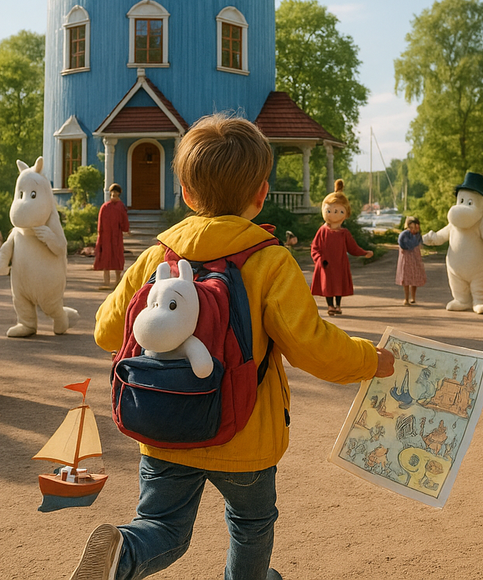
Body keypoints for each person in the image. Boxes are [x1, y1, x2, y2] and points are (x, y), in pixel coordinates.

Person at [72, 112, 394, 580]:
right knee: (251, 523)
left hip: (163, 424)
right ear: (261, 194)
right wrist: (371, 360)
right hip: (246, 432)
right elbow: (313, 347)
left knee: (162, 526)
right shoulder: (269, 261)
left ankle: (124, 553)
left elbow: (107, 332)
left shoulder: (157, 255)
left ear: (185, 192)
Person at [309, 179, 373, 315]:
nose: (335, 214)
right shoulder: (323, 231)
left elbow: (352, 247)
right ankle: (330, 306)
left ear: (346, 213)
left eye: (339, 211)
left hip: (340, 264)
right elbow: (315, 247)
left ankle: (338, 305)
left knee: (339, 285)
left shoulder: (344, 233)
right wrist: (319, 260)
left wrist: (363, 252)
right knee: (327, 286)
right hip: (326, 264)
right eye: (331, 210)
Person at [94, 183, 129, 288]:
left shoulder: (120, 207)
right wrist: (100, 234)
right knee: (106, 257)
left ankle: (117, 280)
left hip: (116, 236)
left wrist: (125, 229)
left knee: (117, 257)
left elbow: (124, 222)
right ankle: (106, 281)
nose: (113, 194)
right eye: (112, 193)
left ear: (118, 193)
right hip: (105, 237)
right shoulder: (105, 207)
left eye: (115, 193)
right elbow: (100, 223)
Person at [395, 216, 426, 306]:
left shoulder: (417, 236)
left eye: (414, 227)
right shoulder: (404, 235)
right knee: (406, 279)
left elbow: (419, 245)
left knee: (415, 278)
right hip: (406, 259)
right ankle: (406, 298)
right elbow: (404, 245)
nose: (412, 229)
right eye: (411, 227)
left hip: (415, 259)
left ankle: (413, 297)